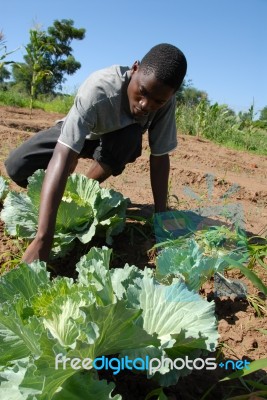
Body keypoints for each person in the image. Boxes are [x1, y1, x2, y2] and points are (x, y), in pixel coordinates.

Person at [5, 43, 187, 263]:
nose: (145, 104)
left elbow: (159, 158)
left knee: (129, 137)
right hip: (81, 134)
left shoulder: (164, 101)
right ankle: (59, 195)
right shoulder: (99, 88)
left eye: (158, 101)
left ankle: (79, 193)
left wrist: (162, 220)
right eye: (142, 92)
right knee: (16, 167)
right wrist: (43, 238)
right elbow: (64, 153)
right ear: (135, 68)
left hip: (115, 142)